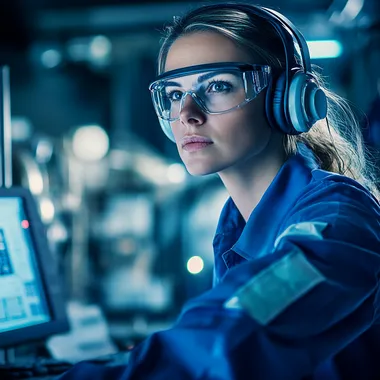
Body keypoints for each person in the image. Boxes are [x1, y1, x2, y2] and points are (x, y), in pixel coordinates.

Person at [59, 3, 380, 379]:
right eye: (175, 94)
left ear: (285, 100)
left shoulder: (337, 221)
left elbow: (236, 331)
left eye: (218, 86)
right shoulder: (236, 227)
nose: (188, 114)